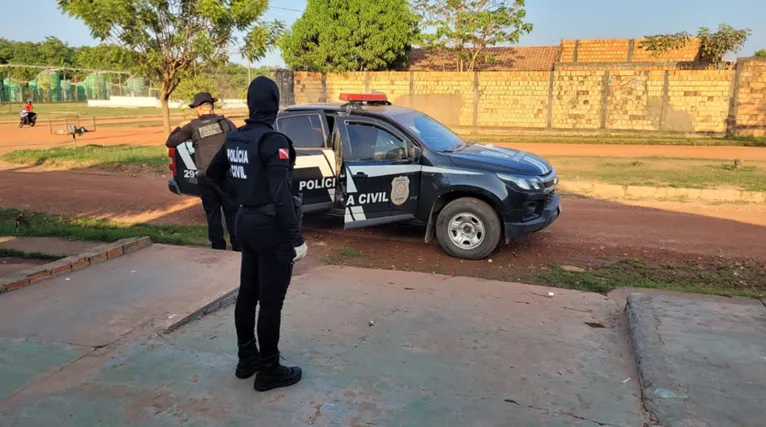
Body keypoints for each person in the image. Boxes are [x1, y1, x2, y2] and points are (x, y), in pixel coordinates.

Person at [207, 76, 308, 392]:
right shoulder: (273, 141)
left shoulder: (237, 137)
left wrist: (241, 196)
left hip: (245, 223)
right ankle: (269, 370)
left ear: (251, 104)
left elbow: (212, 174)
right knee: (271, 303)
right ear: (275, 103)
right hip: (270, 229)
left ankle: (246, 359)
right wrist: (297, 239)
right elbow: (281, 196)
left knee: (248, 294)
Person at [166, 92, 240, 251]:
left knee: (212, 213)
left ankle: (218, 246)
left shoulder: (192, 126)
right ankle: (237, 246)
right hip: (227, 175)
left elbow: (170, 142)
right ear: (211, 107)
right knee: (232, 212)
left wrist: (180, 126)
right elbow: (238, 141)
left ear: (198, 109)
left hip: (206, 177)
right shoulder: (226, 123)